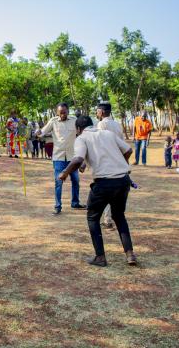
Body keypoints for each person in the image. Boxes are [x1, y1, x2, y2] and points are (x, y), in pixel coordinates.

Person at [58, 115, 137, 267]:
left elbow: (77, 159)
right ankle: (129, 253)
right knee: (119, 216)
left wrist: (64, 173)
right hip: (122, 180)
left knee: (93, 217)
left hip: (104, 183)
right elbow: (128, 150)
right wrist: (122, 164)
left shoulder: (82, 138)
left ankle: (100, 257)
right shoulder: (108, 134)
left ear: (78, 129)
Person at [37, 103, 85, 215]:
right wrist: (38, 133)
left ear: (68, 111)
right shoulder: (53, 121)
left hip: (72, 157)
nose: (62, 115)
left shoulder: (74, 120)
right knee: (58, 182)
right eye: (60, 113)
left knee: (76, 181)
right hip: (58, 157)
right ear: (57, 112)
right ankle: (57, 206)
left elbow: (81, 133)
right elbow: (42, 132)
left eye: (64, 112)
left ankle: (75, 202)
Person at [96, 101, 124, 230]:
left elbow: (100, 143)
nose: (96, 113)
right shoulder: (117, 125)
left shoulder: (102, 124)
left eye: (97, 111)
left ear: (101, 112)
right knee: (116, 192)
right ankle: (114, 217)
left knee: (106, 191)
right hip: (118, 160)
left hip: (107, 161)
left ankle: (108, 219)